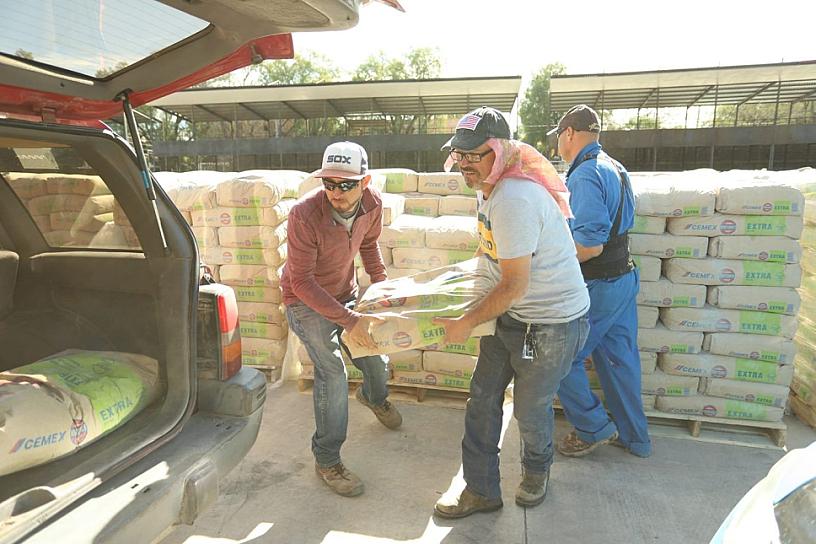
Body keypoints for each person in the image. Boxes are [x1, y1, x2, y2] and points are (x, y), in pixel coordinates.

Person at [432, 107, 591, 518]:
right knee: (482, 400)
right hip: (513, 315)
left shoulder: (514, 199)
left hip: (550, 324)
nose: (465, 164)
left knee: (528, 408)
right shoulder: (488, 186)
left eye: (474, 154)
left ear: (499, 152)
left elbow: (514, 284)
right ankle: (481, 490)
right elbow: (491, 254)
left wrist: (464, 324)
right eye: (459, 155)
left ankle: (537, 472)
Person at [281, 141, 402, 498]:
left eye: (346, 184)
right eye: (329, 183)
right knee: (332, 373)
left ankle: (374, 396)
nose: (336, 192)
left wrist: (381, 286)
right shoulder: (304, 215)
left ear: (365, 182)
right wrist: (350, 321)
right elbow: (301, 281)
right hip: (304, 302)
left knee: (375, 360)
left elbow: (369, 244)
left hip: (345, 293)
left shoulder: (373, 204)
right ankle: (327, 459)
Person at [550, 104, 652, 459]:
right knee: (620, 361)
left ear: (569, 134)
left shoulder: (585, 175)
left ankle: (593, 428)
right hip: (624, 279)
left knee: (561, 360)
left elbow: (590, 246)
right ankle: (636, 438)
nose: (558, 147)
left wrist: (546, 264)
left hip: (598, 286)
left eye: (558, 139)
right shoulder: (616, 167)